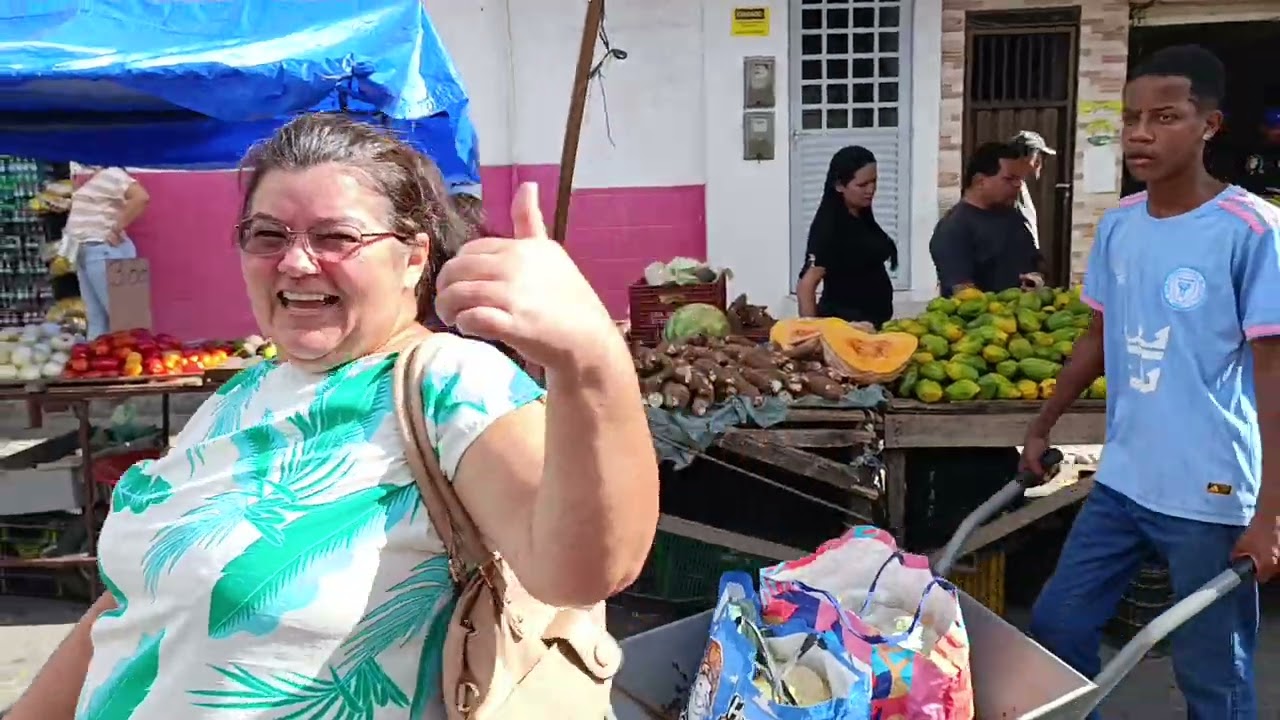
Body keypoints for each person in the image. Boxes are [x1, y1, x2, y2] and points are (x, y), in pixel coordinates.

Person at [5, 114, 660, 720]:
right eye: (268, 235)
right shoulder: (241, 396)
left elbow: (581, 570)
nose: (294, 261)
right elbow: (138, 601)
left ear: (412, 257)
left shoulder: (451, 384)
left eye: (336, 236)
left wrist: (589, 361)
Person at [1022, 44, 1280, 719]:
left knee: (1211, 673)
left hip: (1210, 493)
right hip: (1123, 481)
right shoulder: (1118, 226)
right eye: (1131, 117)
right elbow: (1097, 338)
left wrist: (1269, 514)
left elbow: (1273, 375)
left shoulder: (1251, 230)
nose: (1140, 133)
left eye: (1164, 116)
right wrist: (1043, 423)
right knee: (1056, 627)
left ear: (1209, 126)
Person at [796, 146, 898, 328]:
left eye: (874, 182)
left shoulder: (863, 216)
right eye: (862, 185)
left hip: (872, 325)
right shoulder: (829, 227)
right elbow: (807, 285)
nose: (871, 190)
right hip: (845, 327)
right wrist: (811, 333)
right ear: (839, 186)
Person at [929, 141, 1043, 298]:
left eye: (1019, 179)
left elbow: (1034, 263)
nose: (1018, 185)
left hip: (1026, 316)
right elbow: (962, 292)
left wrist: (1036, 280)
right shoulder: (954, 227)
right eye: (1009, 179)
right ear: (980, 182)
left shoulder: (1013, 218)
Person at [58, 166, 150, 339]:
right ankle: (99, 362)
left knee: (126, 320)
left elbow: (141, 197)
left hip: (104, 250)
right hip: (87, 251)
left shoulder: (112, 173)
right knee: (97, 318)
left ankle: (130, 361)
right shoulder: (96, 177)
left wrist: (116, 228)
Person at [1009, 130, 1058, 248]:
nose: (1040, 164)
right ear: (1030, 157)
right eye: (1040, 157)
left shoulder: (1019, 184)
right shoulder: (1008, 186)